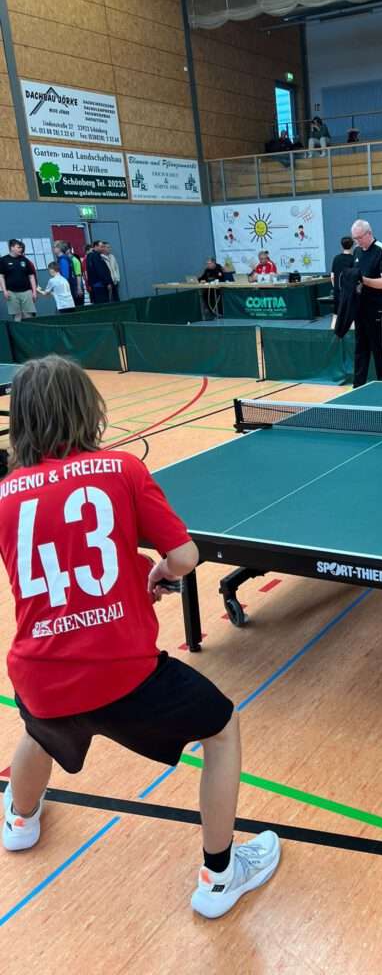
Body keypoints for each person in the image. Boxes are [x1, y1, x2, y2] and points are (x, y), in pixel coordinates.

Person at [0, 355, 281, 919]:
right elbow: (184, 557)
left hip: (39, 671)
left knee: (42, 724)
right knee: (222, 728)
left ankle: (20, 821)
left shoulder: (5, 494)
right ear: (86, 408)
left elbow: (57, 569)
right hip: (124, 672)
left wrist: (123, 584)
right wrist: (156, 572)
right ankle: (220, 876)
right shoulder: (122, 470)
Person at [350, 219, 382, 387]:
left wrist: (363, 280)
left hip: (377, 309)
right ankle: (358, 386)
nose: (357, 242)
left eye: (359, 238)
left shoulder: (381, 250)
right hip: (360, 308)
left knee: (378, 349)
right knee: (360, 349)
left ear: (369, 233)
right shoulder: (356, 251)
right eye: (354, 238)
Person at [0, 239, 37, 321]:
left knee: (28, 315)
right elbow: (1, 277)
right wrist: (4, 291)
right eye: (18, 247)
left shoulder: (25, 260)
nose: (21, 249)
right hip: (11, 292)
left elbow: (31, 277)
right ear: (12, 248)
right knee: (17, 316)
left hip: (26, 291)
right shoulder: (3, 260)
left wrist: (34, 292)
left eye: (21, 247)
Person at [329, 235, 355, 328]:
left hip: (338, 292)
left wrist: (336, 288)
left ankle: (332, 332)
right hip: (350, 293)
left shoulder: (336, 258)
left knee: (336, 315)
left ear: (341, 245)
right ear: (352, 246)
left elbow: (332, 276)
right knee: (351, 316)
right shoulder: (354, 259)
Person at [85, 240, 114, 305]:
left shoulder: (91, 256)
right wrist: (107, 282)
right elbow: (101, 271)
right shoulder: (95, 256)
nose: (103, 248)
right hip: (100, 285)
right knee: (104, 304)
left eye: (103, 247)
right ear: (95, 246)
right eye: (101, 247)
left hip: (96, 285)